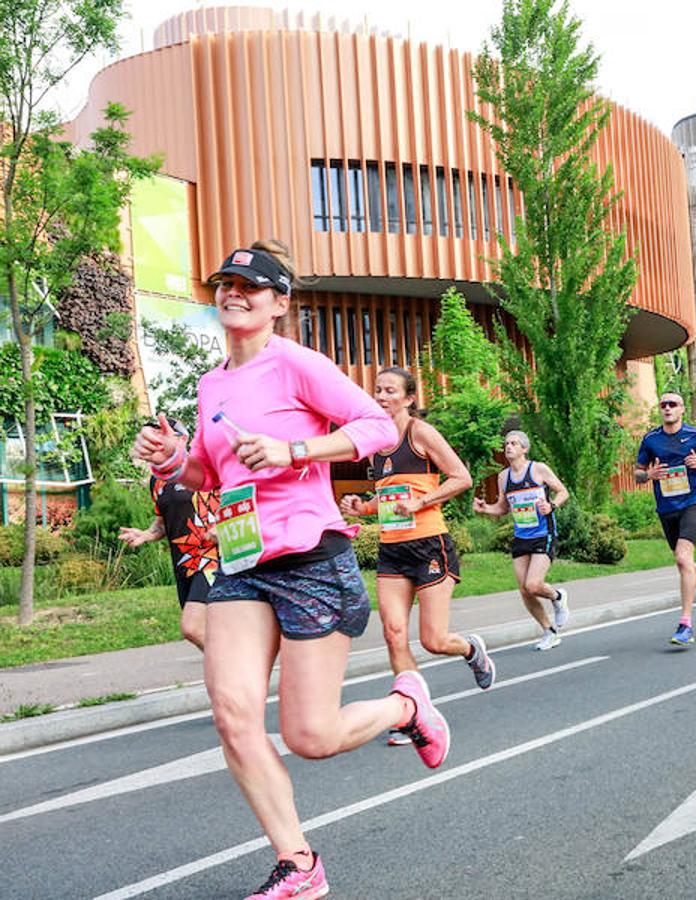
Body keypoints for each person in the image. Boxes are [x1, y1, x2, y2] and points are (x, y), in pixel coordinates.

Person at [133, 241, 449, 900]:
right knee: (233, 715)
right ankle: (299, 864)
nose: (233, 293)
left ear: (279, 303)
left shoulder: (299, 365)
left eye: (250, 286)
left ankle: (405, 705)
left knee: (309, 735)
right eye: (225, 283)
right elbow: (214, 475)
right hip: (244, 559)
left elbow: (372, 429)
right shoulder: (212, 381)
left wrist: (294, 448)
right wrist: (172, 459)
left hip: (310, 560)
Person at [341, 367, 495, 748]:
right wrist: (363, 507)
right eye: (377, 389)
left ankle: (472, 649)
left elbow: (461, 477)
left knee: (434, 639)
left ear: (409, 398)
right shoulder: (376, 443)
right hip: (393, 550)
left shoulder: (420, 433)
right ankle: (413, 715)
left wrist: (423, 501)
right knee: (393, 634)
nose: (381, 396)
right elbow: (390, 499)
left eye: (390, 390)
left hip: (429, 545)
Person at [119, 418, 220, 650]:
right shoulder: (157, 480)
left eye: (161, 434)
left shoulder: (205, 466)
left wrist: (225, 525)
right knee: (210, 629)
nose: (155, 442)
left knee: (193, 628)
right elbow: (162, 524)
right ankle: (239, 672)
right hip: (183, 565)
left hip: (212, 558)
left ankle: (236, 672)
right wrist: (146, 534)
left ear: (182, 438)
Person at [635, 392, 696, 647]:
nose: (667, 408)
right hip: (666, 507)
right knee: (685, 562)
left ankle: (685, 623)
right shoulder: (651, 439)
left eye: (672, 404)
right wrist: (649, 474)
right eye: (663, 404)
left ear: (682, 409)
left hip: (692, 502)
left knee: (682, 558)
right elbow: (637, 473)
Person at [473, 430, 571, 650]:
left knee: (534, 584)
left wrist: (552, 505)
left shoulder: (538, 469)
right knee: (525, 590)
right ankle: (549, 631)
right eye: (506, 443)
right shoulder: (503, 477)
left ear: (524, 449)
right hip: (521, 536)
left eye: (514, 443)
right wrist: (485, 508)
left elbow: (563, 491)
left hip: (543, 533)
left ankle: (557, 596)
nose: (508, 447)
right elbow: (502, 508)